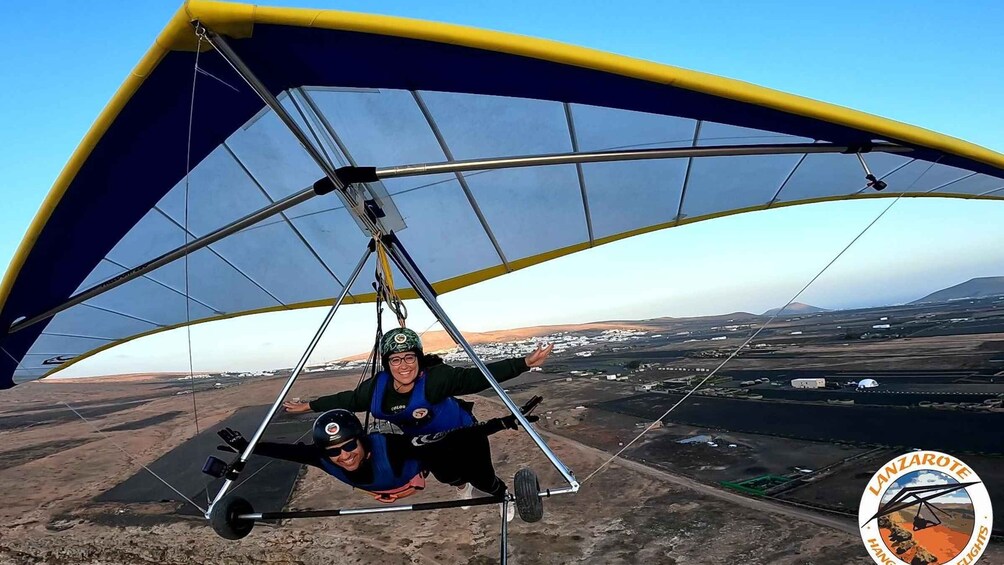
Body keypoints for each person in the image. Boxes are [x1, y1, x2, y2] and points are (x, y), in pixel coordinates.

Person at [217, 397, 542, 518]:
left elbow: (449, 437)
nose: (343, 456)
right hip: (402, 477)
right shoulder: (326, 458)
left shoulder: (392, 446)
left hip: (423, 455)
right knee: (451, 477)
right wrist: (248, 446)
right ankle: (460, 483)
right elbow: (288, 452)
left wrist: (502, 423)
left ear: (363, 442)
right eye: (334, 451)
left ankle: (503, 496)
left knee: (476, 476)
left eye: (349, 447)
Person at [283, 327, 553, 436]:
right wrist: (308, 406)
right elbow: (349, 400)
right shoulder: (377, 387)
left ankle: (493, 488)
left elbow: (475, 378)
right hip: (422, 439)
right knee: (445, 474)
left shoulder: (436, 379)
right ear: (388, 364)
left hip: (461, 432)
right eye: (396, 360)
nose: (403, 366)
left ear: (419, 359)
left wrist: (523, 364)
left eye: (410, 357)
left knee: (473, 469)